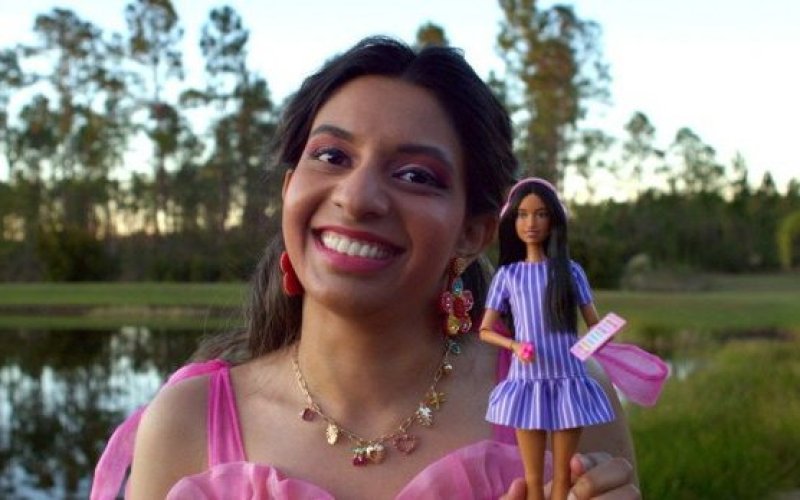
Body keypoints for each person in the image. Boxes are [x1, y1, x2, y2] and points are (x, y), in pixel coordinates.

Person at [91, 36, 639, 500]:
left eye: (416, 175)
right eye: (332, 156)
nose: (356, 198)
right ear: (289, 190)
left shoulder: (566, 399)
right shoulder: (185, 422)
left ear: (473, 231)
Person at [478, 178, 615, 500]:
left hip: (568, 380)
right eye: (522, 215)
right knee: (533, 480)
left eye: (540, 214)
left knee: (564, 477)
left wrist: (582, 351)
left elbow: (597, 326)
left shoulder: (570, 272)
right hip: (527, 381)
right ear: (512, 222)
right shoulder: (508, 276)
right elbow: (485, 330)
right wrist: (514, 346)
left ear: (553, 220)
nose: (531, 223)